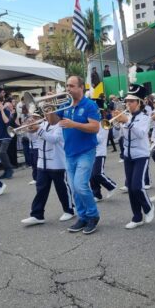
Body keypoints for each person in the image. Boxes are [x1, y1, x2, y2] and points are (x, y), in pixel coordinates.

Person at [49, 76, 101, 235]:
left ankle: (93, 215)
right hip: (69, 152)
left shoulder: (89, 105)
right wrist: (49, 109)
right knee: (73, 188)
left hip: (86, 151)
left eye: (71, 86)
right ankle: (82, 216)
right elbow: (52, 121)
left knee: (80, 185)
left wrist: (74, 124)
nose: (68, 89)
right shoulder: (64, 104)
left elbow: (95, 127)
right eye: (67, 86)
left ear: (81, 88)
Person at [113, 83, 154, 229]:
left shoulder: (145, 117)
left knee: (137, 186)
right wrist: (117, 124)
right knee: (130, 188)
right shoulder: (127, 116)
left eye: (131, 101)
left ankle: (148, 207)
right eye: (127, 101)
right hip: (128, 156)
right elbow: (121, 135)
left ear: (139, 102)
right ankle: (137, 217)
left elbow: (142, 133)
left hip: (141, 155)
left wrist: (127, 122)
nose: (128, 103)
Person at [21, 113, 75, 226]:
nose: (46, 115)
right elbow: (33, 139)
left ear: (56, 115)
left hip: (58, 164)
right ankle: (37, 215)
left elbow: (54, 139)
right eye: (45, 112)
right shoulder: (43, 124)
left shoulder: (61, 125)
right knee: (40, 190)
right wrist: (29, 130)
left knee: (62, 190)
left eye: (49, 112)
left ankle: (69, 210)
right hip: (42, 164)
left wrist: (38, 129)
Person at [90, 99, 118, 201]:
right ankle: (96, 194)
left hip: (100, 152)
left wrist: (87, 135)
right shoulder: (90, 121)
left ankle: (111, 186)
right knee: (91, 175)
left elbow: (100, 139)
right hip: (90, 152)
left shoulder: (105, 123)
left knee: (97, 173)